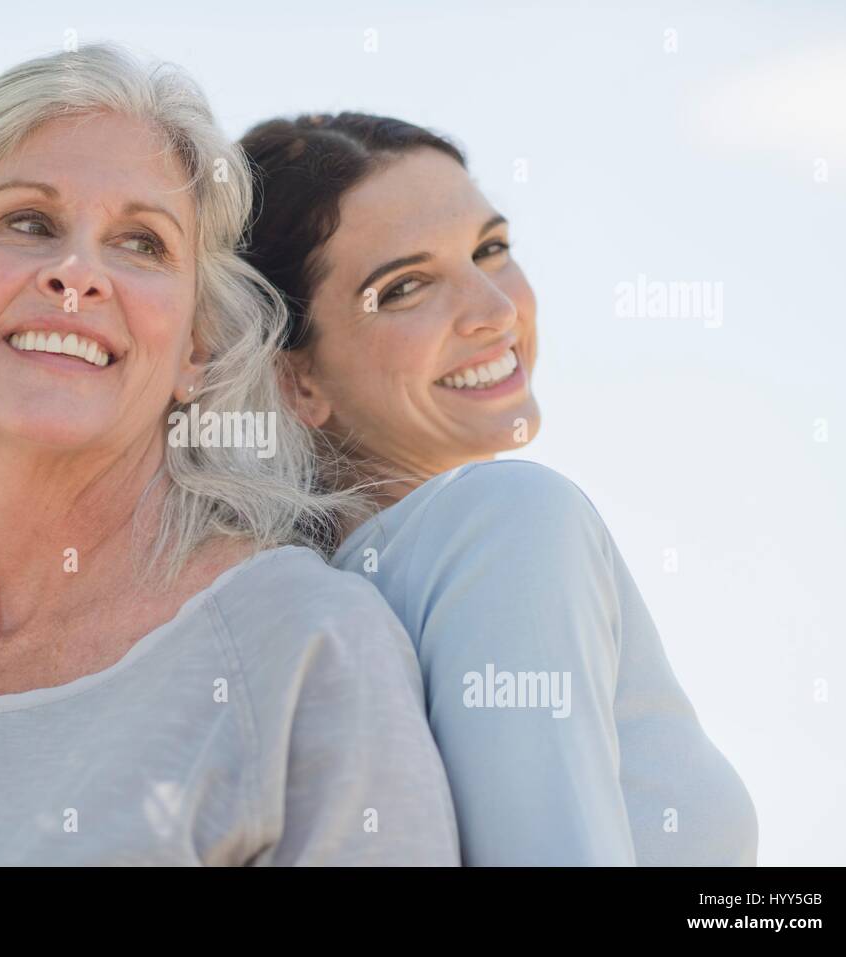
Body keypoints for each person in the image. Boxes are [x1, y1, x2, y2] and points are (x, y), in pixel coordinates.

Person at [0, 50, 460, 867]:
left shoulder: (306, 646)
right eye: (29, 223)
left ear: (196, 347)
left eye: (141, 242)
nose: (77, 274)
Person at [238, 112, 758, 865]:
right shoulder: (511, 521)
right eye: (407, 286)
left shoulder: (294, 612)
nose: (494, 310)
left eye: (491, 249)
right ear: (296, 377)